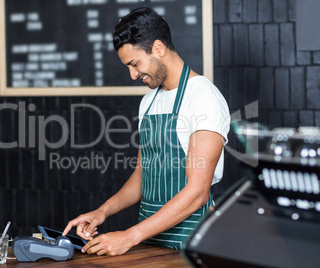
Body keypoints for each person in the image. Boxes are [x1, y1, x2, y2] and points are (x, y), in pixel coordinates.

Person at [63, 7, 230, 256]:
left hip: (193, 244)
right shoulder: (149, 101)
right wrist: (103, 212)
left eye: (135, 63)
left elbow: (197, 193)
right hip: (151, 243)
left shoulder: (203, 98)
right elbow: (143, 174)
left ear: (158, 49)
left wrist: (129, 236)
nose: (132, 74)